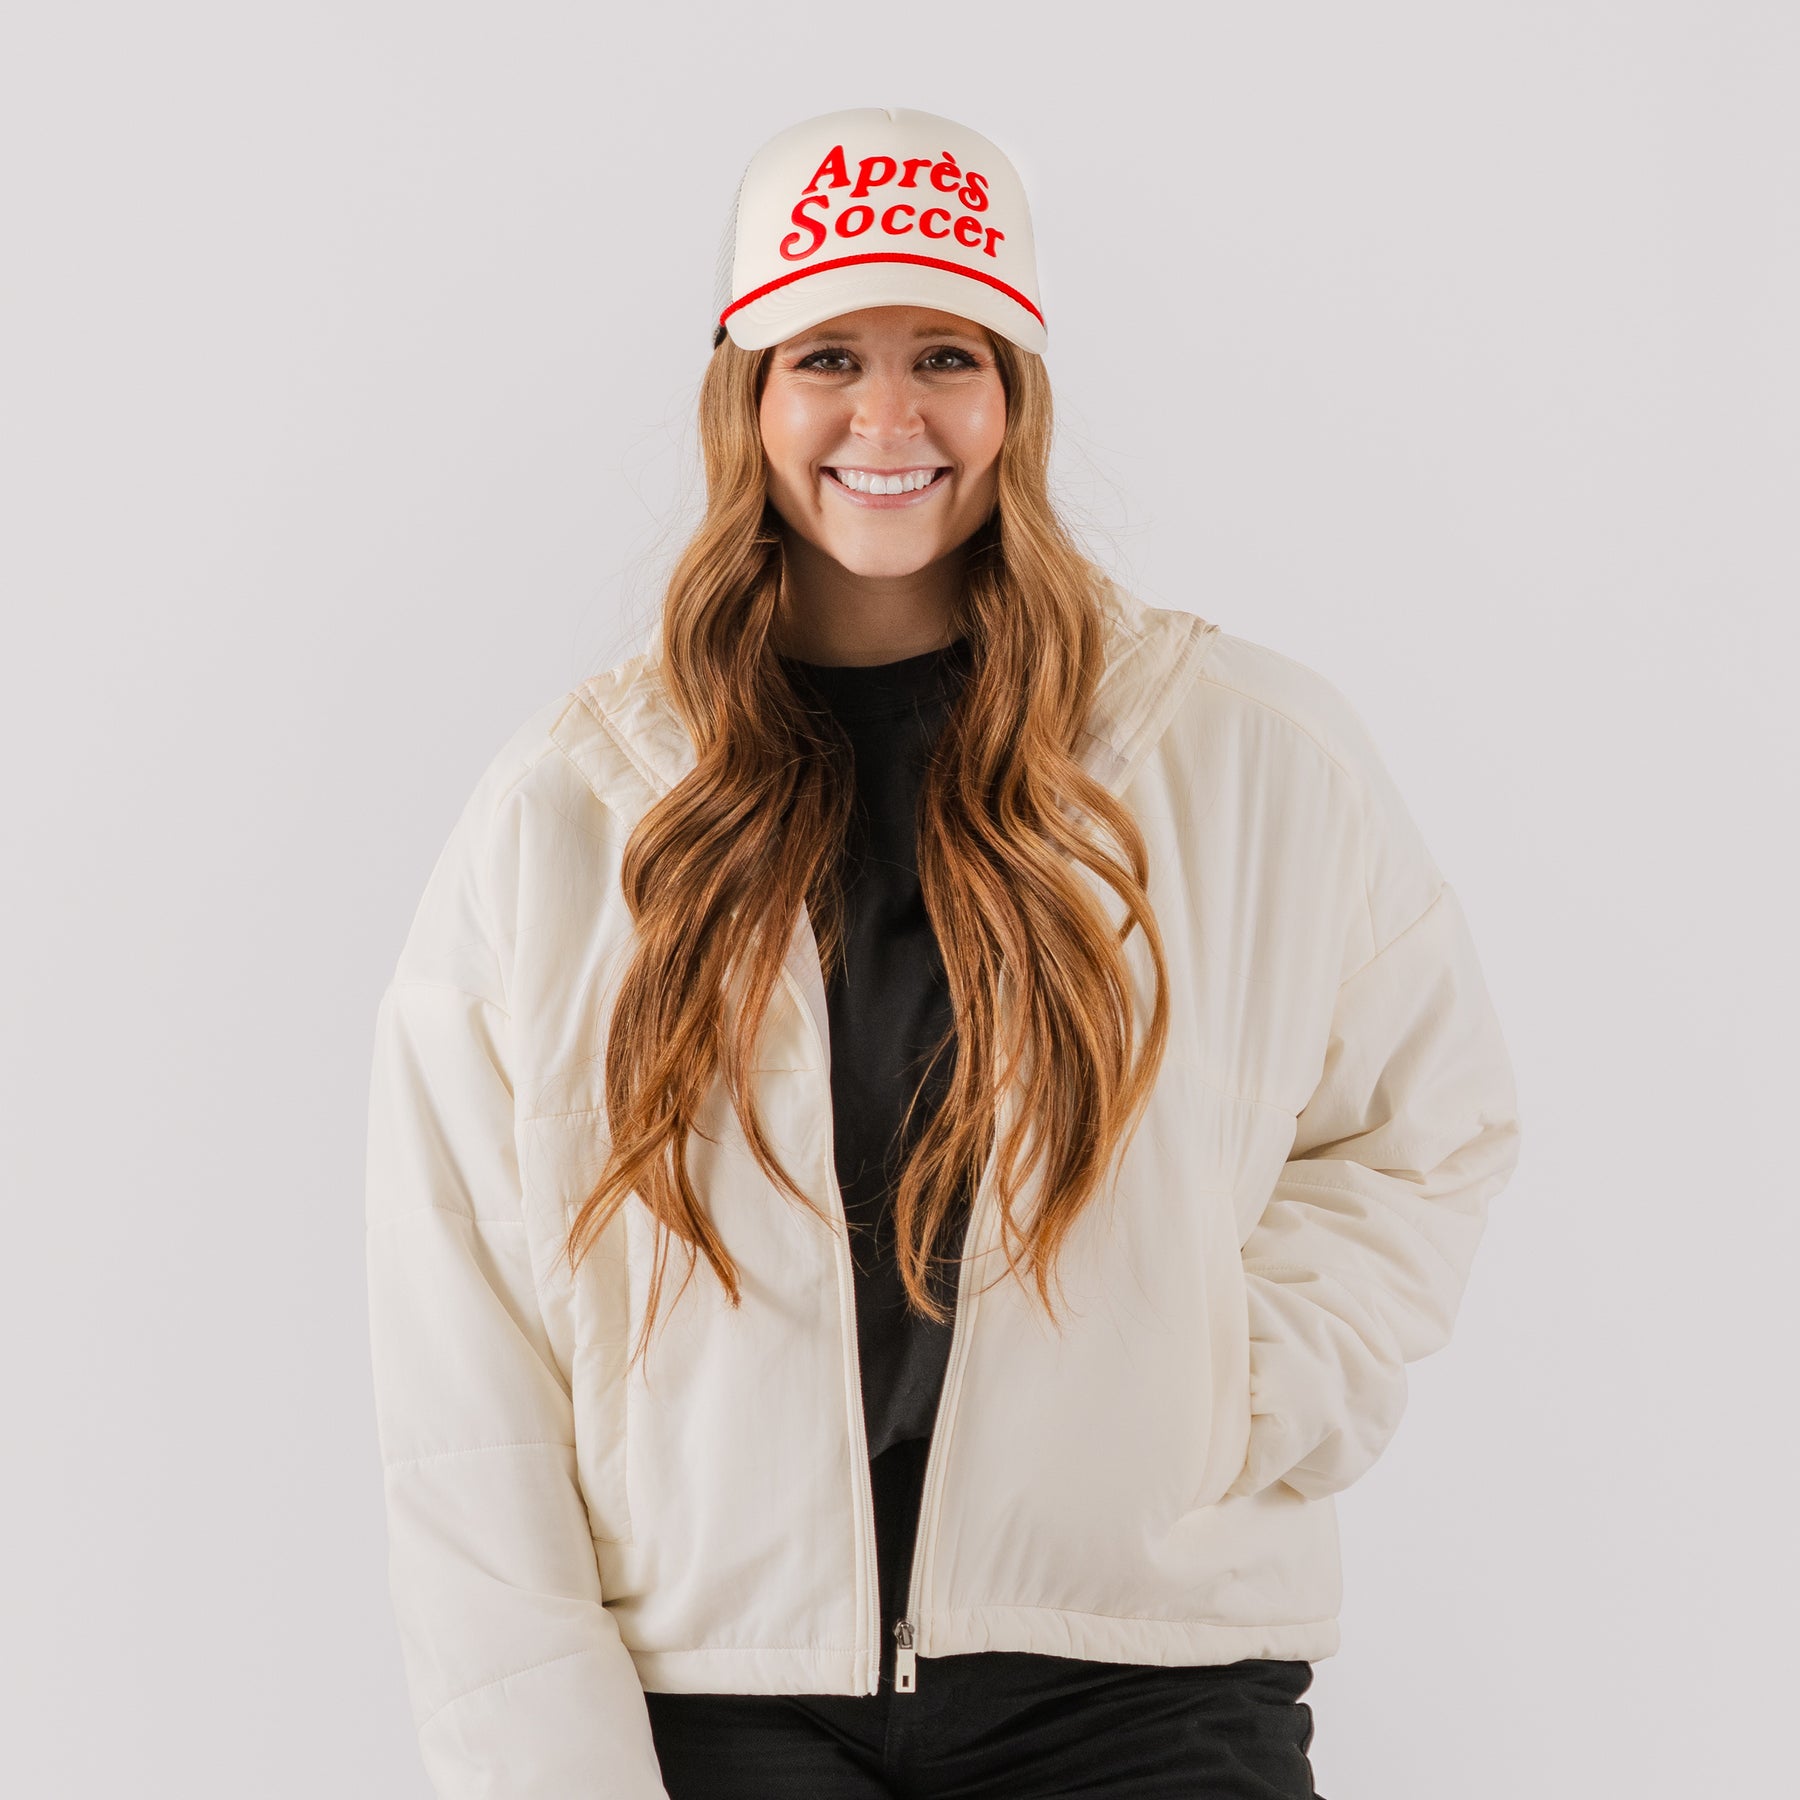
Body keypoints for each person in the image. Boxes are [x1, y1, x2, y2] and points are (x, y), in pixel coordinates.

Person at [363, 106, 1521, 1800]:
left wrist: (1232, 1394)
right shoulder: (572, 811)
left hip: (1140, 1687)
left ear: (1017, 396)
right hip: (718, 1696)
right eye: (828, 355)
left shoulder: (1247, 755)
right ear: (747, 394)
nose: (888, 417)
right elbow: (455, 1334)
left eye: (947, 356)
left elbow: (1426, 1128)